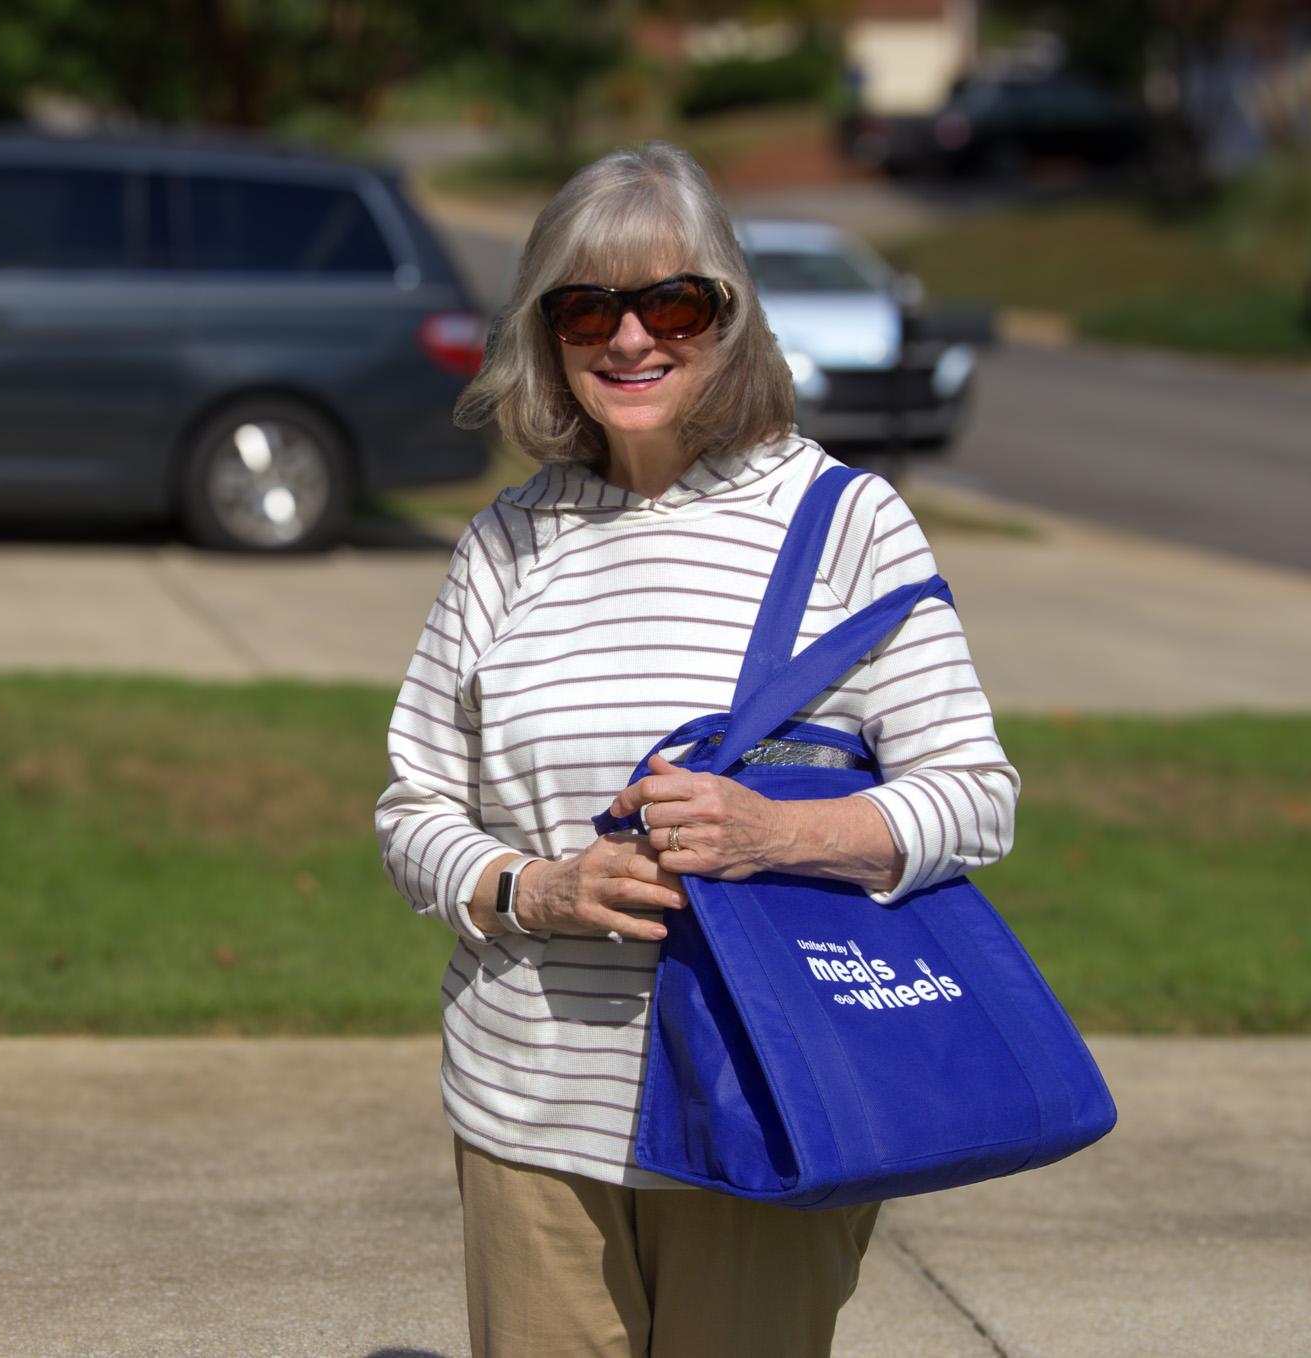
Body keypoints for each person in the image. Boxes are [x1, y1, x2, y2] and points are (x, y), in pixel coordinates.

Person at [374, 141, 1019, 1358]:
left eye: (673, 301)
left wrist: (775, 831)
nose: (629, 339)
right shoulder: (503, 545)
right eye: (587, 307)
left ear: (732, 316)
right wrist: (538, 886)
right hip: (529, 1108)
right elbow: (414, 807)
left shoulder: (843, 521)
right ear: (545, 333)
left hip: (762, 1091)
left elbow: (975, 798)